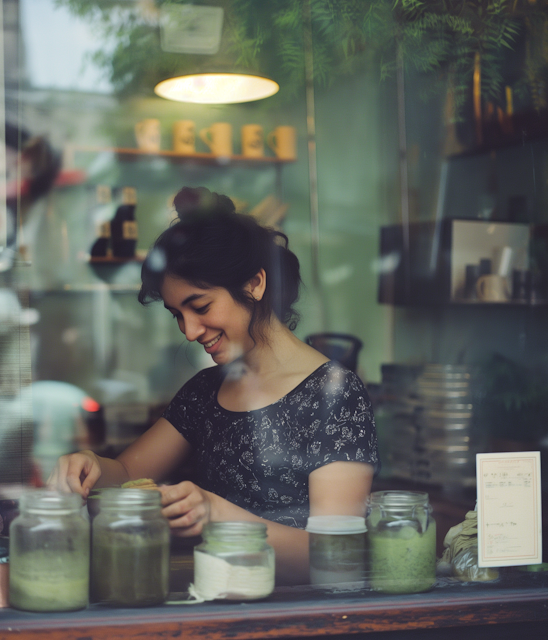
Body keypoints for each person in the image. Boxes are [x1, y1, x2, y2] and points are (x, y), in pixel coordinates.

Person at [47, 186, 379, 584]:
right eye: (177, 315)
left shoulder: (334, 394)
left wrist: (215, 513)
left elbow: (336, 559)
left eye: (200, 307)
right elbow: (127, 472)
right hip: (214, 602)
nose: (189, 330)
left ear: (255, 284)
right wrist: (89, 466)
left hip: (294, 616)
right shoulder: (206, 390)